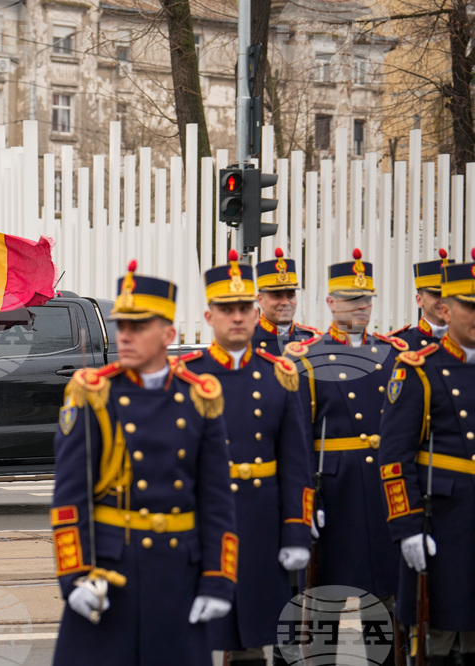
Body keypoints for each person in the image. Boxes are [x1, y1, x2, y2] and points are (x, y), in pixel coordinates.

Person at [50, 259, 236, 666]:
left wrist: (218, 579)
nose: (126, 335)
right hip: (110, 573)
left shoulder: (199, 397)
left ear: (169, 334)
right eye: (122, 326)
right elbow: (69, 500)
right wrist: (75, 576)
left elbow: (217, 500)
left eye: (139, 326)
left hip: (179, 573)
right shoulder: (95, 394)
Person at [185, 251, 312, 666]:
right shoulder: (187, 376)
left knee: (254, 635)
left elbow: (295, 464)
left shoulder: (279, 375)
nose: (237, 317)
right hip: (203, 521)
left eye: (243, 308)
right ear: (210, 316)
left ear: (255, 314)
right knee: (194, 636)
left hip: (261, 520)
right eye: (227, 309)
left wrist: (297, 531)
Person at [284, 248, 405, 665]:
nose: (362, 307)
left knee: (383, 591)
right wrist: (308, 502)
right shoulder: (308, 357)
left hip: (380, 486)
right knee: (328, 593)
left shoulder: (393, 354)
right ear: (331, 303)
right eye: (352, 300)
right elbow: (299, 440)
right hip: (335, 489)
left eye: (366, 299)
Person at [379, 252, 475, 664]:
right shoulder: (418, 370)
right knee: (437, 639)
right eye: (469, 306)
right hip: (444, 523)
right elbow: (394, 457)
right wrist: (406, 526)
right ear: (446, 310)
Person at [252, 248, 319, 356]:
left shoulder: (313, 340)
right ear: (260, 300)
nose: (285, 302)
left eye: (290, 295)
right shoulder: (245, 342)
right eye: (277, 296)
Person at [393, 249, 453, 349]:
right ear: (419, 300)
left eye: (448, 295)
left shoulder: (467, 342)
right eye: (436, 294)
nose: (443, 300)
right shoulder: (402, 343)